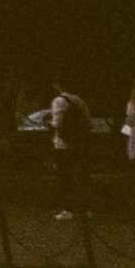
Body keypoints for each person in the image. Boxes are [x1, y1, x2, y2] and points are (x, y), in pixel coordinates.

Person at [48, 81, 90, 220]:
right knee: (80, 175)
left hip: (63, 143)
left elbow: (57, 123)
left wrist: (49, 123)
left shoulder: (59, 100)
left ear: (57, 85)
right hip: (78, 143)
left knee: (64, 176)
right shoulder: (78, 100)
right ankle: (84, 208)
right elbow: (87, 120)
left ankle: (67, 209)